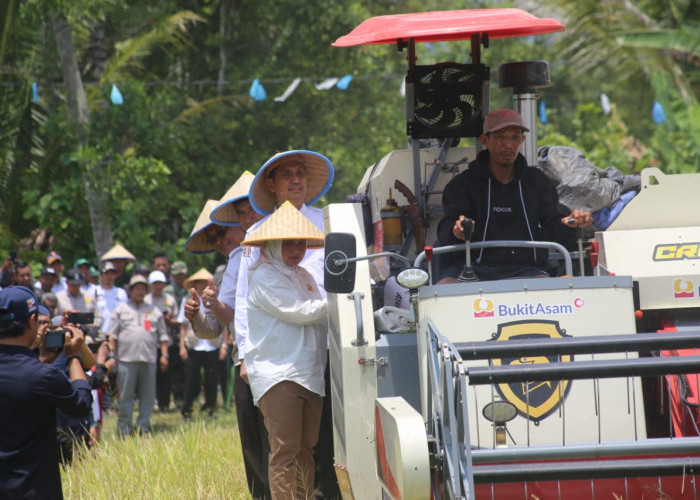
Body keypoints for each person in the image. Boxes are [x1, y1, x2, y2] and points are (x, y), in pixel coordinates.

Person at [437, 108, 593, 282]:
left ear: (523, 140)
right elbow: (445, 231)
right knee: (442, 290)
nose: (508, 144)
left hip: (527, 270)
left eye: (515, 137)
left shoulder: (537, 181)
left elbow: (552, 228)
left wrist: (570, 223)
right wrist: (457, 230)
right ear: (485, 140)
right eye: (500, 136)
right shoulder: (462, 184)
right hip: (470, 270)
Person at [184, 189, 269, 499]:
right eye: (212, 239)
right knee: (254, 447)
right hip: (242, 360)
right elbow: (215, 328)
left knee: (281, 446)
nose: (219, 241)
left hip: (276, 358)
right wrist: (195, 316)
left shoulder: (268, 249)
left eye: (221, 232)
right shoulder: (224, 271)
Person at [242, 202, 328, 500]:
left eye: (301, 242)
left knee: (306, 449)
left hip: (309, 372)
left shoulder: (303, 275)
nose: (296, 249)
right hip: (280, 374)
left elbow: (317, 317)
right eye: (288, 242)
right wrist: (344, 300)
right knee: (285, 450)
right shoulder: (264, 275)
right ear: (272, 244)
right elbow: (301, 312)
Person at [0, 286, 92, 499]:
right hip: (32, 488)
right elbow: (81, 404)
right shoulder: (42, 375)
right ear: (32, 322)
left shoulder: (39, 371)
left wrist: (41, 361)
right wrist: (73, 357)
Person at [106, 274, 168, 436]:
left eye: (143, 289)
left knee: (148, 396)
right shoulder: (121, 310)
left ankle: (144, 427)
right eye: (137, 288)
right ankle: (124, 428)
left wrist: (165, 355)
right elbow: (112, 335)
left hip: (149, 359)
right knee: (126, 396)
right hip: (127, 359)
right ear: (131, 290)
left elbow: (163, 336)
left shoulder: (153, 311)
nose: (140, 292)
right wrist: (112, 354)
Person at [178, 268, 222, 420]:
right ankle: (187, 410)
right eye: (200, 283)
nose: (203, 286)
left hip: (212, 345)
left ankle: (210, 409)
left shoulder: (216, 301)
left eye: (206, 283)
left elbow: (224, 323)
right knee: (192, 379)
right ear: (194, 285)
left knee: (212, 379)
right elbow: (183, 326)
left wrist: (224, 346)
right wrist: (182, 347)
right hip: (194, 345)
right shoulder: (187, 301)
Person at [146, 269, 178, 412]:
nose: (158, 286)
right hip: (151, 342)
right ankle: (152, 401)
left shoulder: (169, 300)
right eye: (155, 284)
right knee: (151, 374)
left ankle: (164, 403)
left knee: (166, 374)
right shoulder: (146, 300)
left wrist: (169, 320)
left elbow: (177, 321)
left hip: (167, 340)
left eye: (160, 284)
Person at [95, 261, 128, 334]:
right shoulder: (94, 291)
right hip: (98, 331)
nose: (109, 276)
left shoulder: (121, 293)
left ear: (115, 276)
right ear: (100, 275)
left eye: (112, 274)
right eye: (106, 273)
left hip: (117, 332)